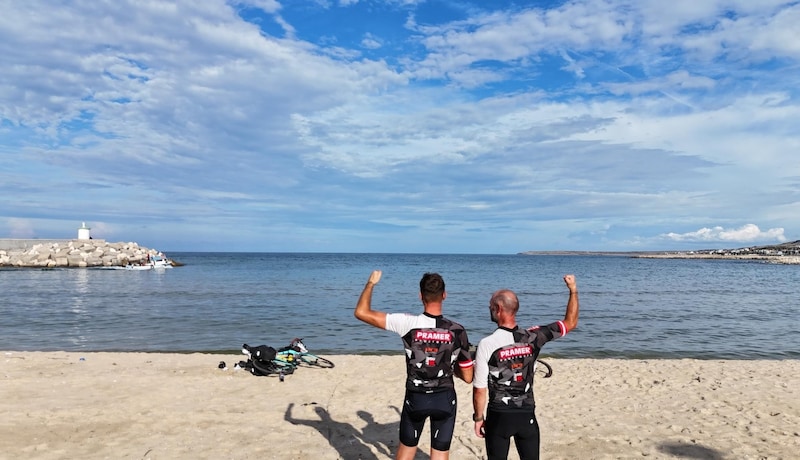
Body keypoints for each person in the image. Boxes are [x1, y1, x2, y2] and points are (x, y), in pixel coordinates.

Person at [355, 270, 474, 460]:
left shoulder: (407, 323)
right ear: (444, 295)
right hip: (444, 398)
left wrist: (370, 284)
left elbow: (361, 312)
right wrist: (453, 366)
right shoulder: (457, 330)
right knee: (440, 453)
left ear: (420, 296)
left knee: (407, 450)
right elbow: (468, 377)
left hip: (416, 398)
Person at [472, 275, 580, 460]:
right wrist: (573, 290)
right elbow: (570, 322)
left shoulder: (487, 343)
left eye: (490, 306)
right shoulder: (534, 336)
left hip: (499, 415)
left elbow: (479, 389)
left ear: (498, 309)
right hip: (526, 413)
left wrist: (478, 418)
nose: (489, 309)